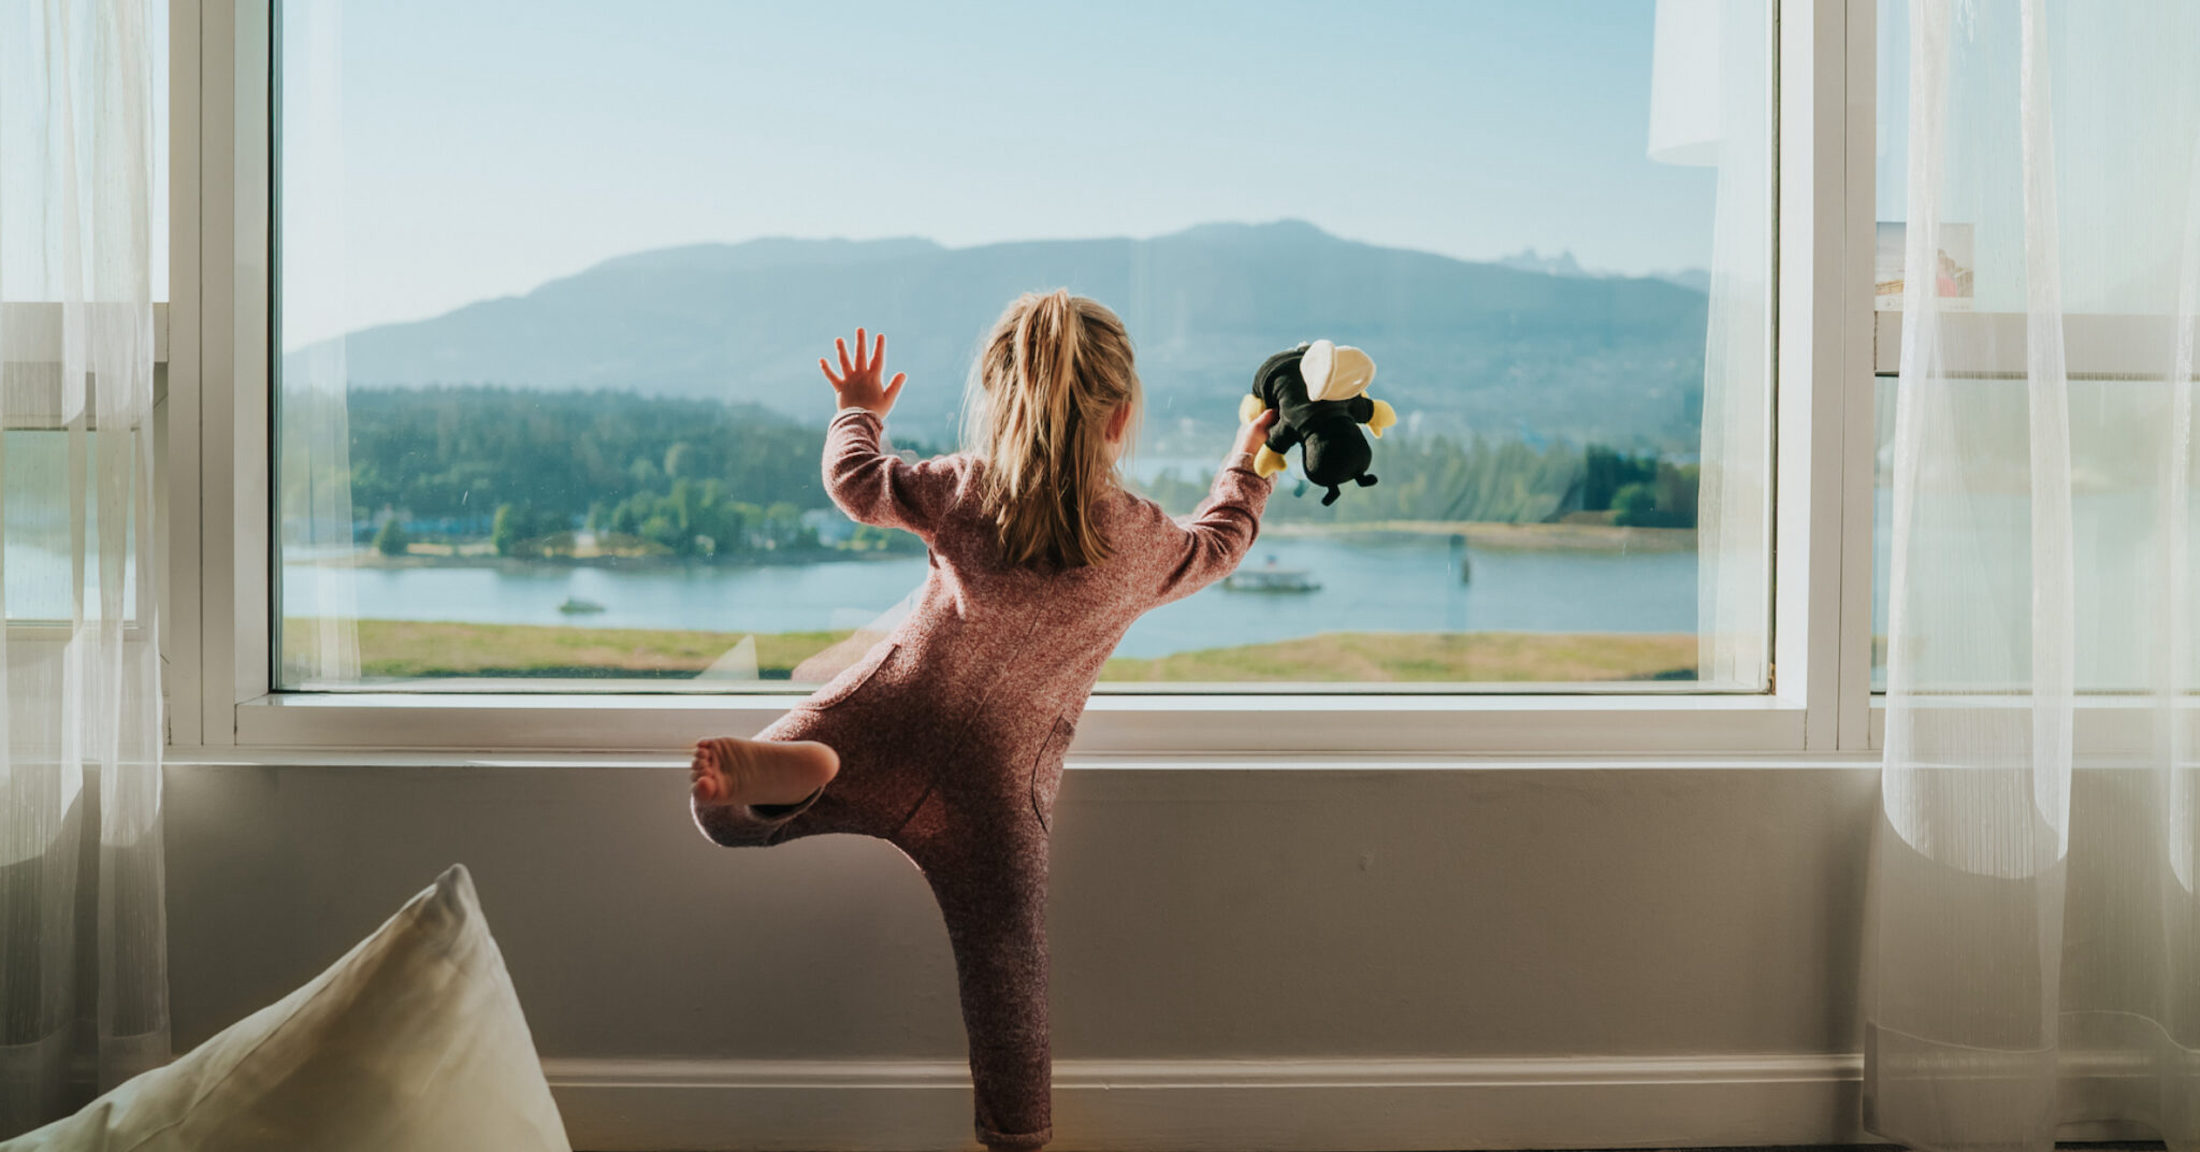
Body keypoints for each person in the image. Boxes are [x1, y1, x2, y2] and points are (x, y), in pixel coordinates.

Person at [688, 290, 1275, 1150]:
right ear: (1119, 419)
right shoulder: (1142, 539)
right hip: (1000, 787)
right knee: (1007, 977)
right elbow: (1222, 540)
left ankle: (803, 773)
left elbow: (855, 486)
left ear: (1001, 400)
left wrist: (856, 412)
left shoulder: (964, 489)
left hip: (881, 721)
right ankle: (1019, 1137)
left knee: (720, 813)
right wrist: (1248, 460)